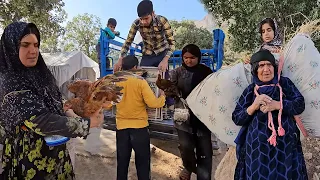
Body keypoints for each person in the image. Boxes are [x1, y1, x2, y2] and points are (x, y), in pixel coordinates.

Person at [0, 22, 103, 179]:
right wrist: (87, 124)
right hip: (30, 159)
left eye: (36, 45)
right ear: (12, 47)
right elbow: (42, 121)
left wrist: (69, 110)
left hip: (55, 153)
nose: (33, 51)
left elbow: (55, 97)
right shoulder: (10, 82)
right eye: (25, 45)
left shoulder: (40, 73)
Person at [232, 50, 308, 179]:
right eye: (261, 66)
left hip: (285, 145)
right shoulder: (251, 89)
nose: (266, 69)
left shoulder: (284, 83)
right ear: (255, 69)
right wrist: (253, 106)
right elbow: (237, 117)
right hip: (257, 149)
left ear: (274, 67)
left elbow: (300, 104)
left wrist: (278, 105)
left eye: (269, 65)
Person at [115, 55, 166, 180]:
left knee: (122, 163)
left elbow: (108, 104)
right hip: (139, 129)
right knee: (143, 163)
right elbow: (152, 103)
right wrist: (163, 97)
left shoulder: (116, 81)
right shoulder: (140, 81)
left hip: (121, 128)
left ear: (123, 67)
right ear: (135, 67)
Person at [170, 44, 213, 180]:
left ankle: (203, 176)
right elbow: (170, 92)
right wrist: (170, 91)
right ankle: (188, 167)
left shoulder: (207, 72)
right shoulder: (176, 72)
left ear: (198, 57)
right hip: (182, 117)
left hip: (202, 117)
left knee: (205, 151)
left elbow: (214, 91)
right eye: (186, 57)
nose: (189, 60)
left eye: (192, 57)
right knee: (186, 147)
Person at [114, 0, 175, 73]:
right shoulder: (136, 23)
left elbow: (172, 43)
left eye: (146, 18)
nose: (143, 22)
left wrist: (165, 60)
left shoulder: (162, 21)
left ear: (153, 13)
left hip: (162, 54)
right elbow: (128, 42)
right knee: (143, 76)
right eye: (141, 19)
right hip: (147, 54)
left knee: (163, 78)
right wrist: (121, 59)